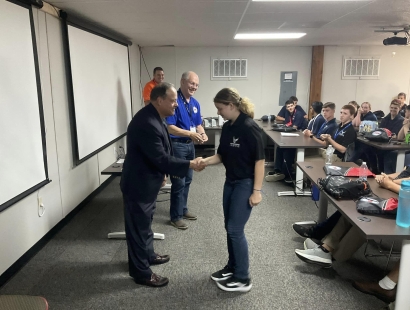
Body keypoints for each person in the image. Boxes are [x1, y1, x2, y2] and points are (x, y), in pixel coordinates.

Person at [120, 82, 204, 287]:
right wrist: (190, 164)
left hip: (147, 181)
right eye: (173, 100)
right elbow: (161, 158)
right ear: (159, 100)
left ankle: (148, 255)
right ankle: (141, 273)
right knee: (139, 229)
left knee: (145, 224)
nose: (176, 104)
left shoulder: (155, 116)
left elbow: (160, 154)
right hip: (139, 184)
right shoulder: (147, 122)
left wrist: (162, 173)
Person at [200, 88, 265, 292]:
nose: (218, 112)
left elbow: (260, 161)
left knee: (236, 229)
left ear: (231, 105)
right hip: (230, 182)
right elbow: (221, 156)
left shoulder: (250, 127)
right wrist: (204, 161)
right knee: (229, 226)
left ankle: (243, 278)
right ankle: (233, 266)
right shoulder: (228, 127)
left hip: (245, 183)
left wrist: (257, 190)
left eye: (220, 108)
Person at [166, 71, 208, 230]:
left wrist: (202, 133)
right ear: (182, 82)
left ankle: (182, 210)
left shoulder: (195, 103)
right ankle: (175, 217)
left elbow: (198, 124)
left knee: (188, 179)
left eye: (196, 85)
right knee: (178, 182)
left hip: (190, 146)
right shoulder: (174, 101)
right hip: (177, 146)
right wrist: (191, 133)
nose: (194, 87)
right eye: (192, 83)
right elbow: (170, 128)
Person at [265, 100, 307, 182]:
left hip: (300, 138)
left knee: (287, 149)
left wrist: (284, 129)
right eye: (288, 107)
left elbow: (294, 127)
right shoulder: (289, 114)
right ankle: (278, 170)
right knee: (279, 148)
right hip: (292, 135)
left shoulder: (298, 114)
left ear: (294, 105)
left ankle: (286, 172)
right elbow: (288, 124)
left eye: (291, 106)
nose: (290, 108)